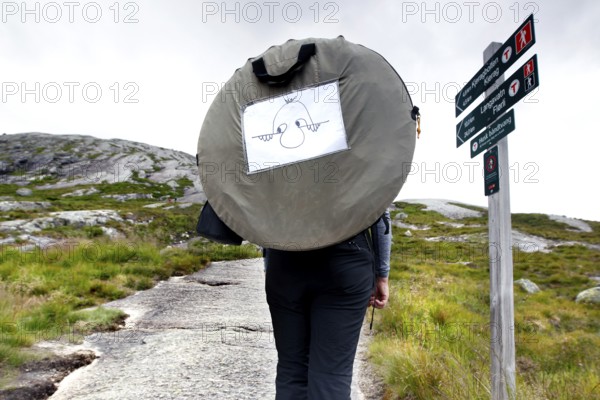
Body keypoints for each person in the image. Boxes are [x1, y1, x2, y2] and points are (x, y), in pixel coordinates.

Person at [264, 210, 392, 400]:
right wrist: (382, 275)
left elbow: (259, 205)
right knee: (331, 374)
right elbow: (380, 209)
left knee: (291, 370)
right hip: (346, 261)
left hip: (284, 260)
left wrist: (270, 264)